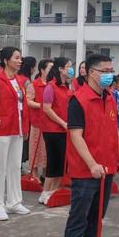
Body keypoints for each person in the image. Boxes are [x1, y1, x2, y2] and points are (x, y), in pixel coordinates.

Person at [63, 54, 119, 237]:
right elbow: (75, 135)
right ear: (92, 73)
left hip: (107, 168)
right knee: (78, 219)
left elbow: (115, 131)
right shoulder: (78, 100)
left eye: (111, 69)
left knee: (97, 217)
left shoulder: (111, 98)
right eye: (105, 70)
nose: (110, 74)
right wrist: (91, 163)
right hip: (86, 172)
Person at [0, 47, 31, 220]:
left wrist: (24, 128)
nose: (20, 61)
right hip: (1, 130)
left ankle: (14, 202)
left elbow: (22, 106)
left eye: (21, 58)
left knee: (14, 167)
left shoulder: (19, 81)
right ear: (6, 60)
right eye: (16, 58)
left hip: (17, 130)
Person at [40, 57, 73, 204]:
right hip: (52, 130)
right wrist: (62, 122)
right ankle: (45, 192)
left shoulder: (67, 86)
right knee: (53, 161)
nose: (70, 69)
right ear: (60, 69)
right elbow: (47, 108)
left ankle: (53, 191)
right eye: (68, 66)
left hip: (64, 130)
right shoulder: (50, 86)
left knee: (61, 162)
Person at [26, 59, 54, 179]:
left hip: (51, 123)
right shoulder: (34, 84)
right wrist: (41, 106)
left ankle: (46, 174)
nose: (52, 71)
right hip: (37, 122)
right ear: (42, 70)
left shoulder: (53, 84)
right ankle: (34, 173)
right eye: (50, 68)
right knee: (35, 150)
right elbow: (28, 101)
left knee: (48, 150)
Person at [17, 56, 37, 167]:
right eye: (34, 67)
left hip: (16, 114)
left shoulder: (17, 77)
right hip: (25, 115)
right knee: (23, 142)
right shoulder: (27, 81)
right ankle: (19, 166)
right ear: (30, 68)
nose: (34, 70)